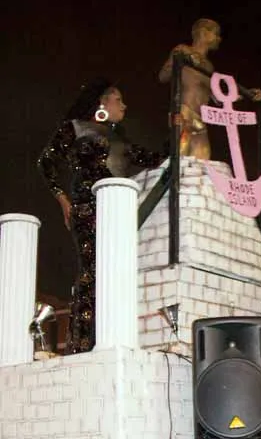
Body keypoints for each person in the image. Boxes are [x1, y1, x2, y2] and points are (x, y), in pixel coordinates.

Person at [38, 79, 166, 353]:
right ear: (102, 103)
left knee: (113, 271)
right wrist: (62, 199)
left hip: (117, 211)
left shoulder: (121, 140)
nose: (124, 106)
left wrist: (179, 130)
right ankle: (83, 344)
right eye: (118, 100)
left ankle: (108, 335)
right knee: (92, 269)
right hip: (87, 207)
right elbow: (46, 162)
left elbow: (154, 159)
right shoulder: (75, 128)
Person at [158, 18, 261, 160]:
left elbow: (217, 96)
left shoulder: (208, 66)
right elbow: (163, 76)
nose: (218, 38)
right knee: (179, 159)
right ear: (203, 33)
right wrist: (181, 60)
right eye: (215, 33)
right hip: (183, 113)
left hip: (201, 119)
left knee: (202, 161)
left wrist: (245, 94)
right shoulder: (183, 49)